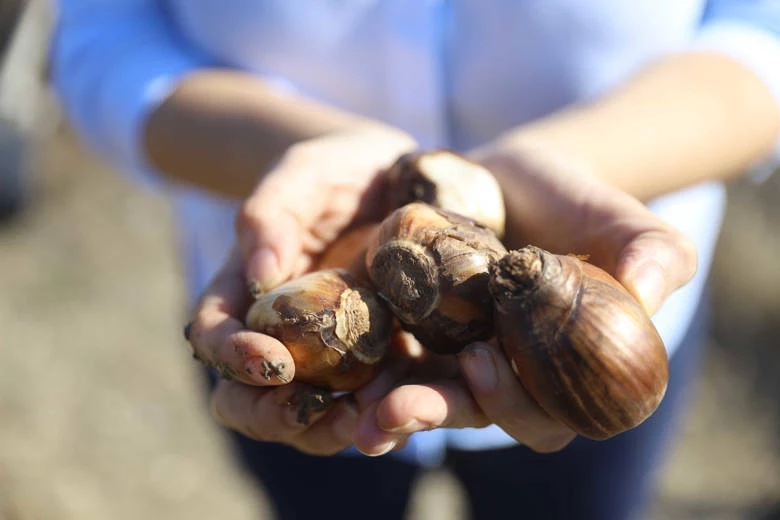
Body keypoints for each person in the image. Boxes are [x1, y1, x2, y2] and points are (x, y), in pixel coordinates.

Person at [51, 1, 780, 519]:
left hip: (594, 344)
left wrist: (572, 165)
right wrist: (297, 156)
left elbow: (761, 29)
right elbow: (99, 34)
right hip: (292, 313)